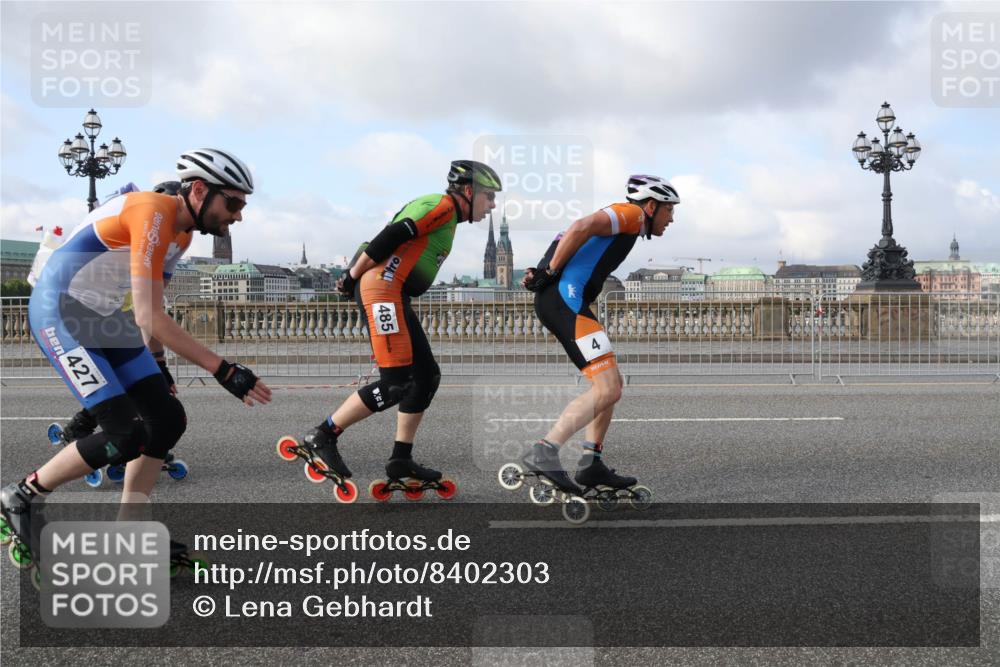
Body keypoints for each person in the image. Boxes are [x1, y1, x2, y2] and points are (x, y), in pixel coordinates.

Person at [0, 150, 272, 568]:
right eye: (233, 203)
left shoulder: (180, 235)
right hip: (61, 311)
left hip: (107, 317)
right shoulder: (153, 212)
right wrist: (223, 369)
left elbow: (148, 308)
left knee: (166, 418)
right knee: (122, 433)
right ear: (199, 190)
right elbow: (149, 315)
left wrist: (158, 366)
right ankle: (21, 496)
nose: (237, 216)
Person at [295, 160, 501, 496]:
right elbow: (390, 235)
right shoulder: (442, 206)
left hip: (395, 294)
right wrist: (350, 277)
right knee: (396, 384)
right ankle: (323, 434)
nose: (492, 205)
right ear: (468, 191)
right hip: (382, 291)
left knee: (426, 376)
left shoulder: (448, 216)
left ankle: (400, 460)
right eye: (489, 197)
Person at [520, 174, 679, 495]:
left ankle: (591, 463)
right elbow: (580, 226)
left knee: (611, 385)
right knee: (608, 387)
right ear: (650, 206)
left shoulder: (630, 222)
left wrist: (541, 272)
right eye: (669, 210)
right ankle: (545, 450)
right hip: (566, 302)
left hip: (564, 301)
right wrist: (548, 272)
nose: (671, 218)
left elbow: (569, 236)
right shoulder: (631, 214)